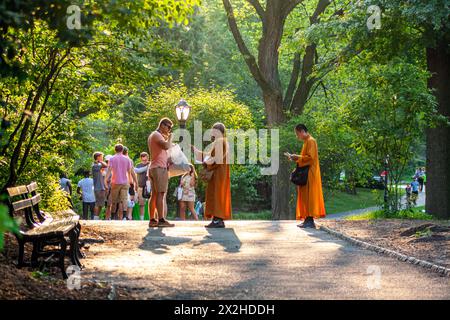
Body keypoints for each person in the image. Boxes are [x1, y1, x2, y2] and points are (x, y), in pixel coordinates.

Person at [192, 122, 232, 228]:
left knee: (216, 195)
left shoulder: (220, 142)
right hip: (220, 173)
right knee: (217, 195)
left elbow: (216, 159)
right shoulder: (222, 142)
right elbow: (211, 156)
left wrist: (206, 163)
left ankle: (217, 220)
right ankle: (217, 219)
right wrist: (198, 153)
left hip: (218, 173)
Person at [286, 124, 326, 228]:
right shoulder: (306, 142)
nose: (297, 136)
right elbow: (304, 158)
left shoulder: (311, 141)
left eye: (297, 133)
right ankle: (307, 219)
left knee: (309, 196)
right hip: (306, 173)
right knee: (305, 196)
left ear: (302, 131)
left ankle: (310, 220)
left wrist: (297, 157)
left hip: (310, 173)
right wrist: (295, 158)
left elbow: (310, 158)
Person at [148, 118, 175, 228]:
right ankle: (161, 219)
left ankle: (152, 219)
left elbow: (162, 150)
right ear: (162, 125)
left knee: (154, 194)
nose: (169, 130)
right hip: (159, 168)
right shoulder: (156, 135)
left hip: (155, 167)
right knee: (160, 194)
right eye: (168, 127)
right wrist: (170, 138)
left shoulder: (154, 135)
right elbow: (166, 146)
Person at [105, 144, 137, 221]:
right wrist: (131, 182)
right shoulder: (127, 159)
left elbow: (109, 171)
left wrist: (105, 180)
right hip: (125, 182)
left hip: (115, 182)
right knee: (124, 199)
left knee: (114, 200)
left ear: (115, 150)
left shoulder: (112, 159)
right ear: (122, 150)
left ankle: (112, 216)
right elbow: (129, 172)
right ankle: (124, 216)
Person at [123, 146, 138, 220]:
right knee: (131, 200)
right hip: (129, 182)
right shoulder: (129, 160)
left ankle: (122, 217)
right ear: (127, 152)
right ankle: (129, 216)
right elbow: (132, 172)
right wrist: (136, 182)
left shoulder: (115, 159)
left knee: (122, 200)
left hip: (119, 182)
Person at [92, 152, 108, 220]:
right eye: (101, 157)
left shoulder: (98, 165)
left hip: (101, 187)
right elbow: (105, 165)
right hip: (98, 187)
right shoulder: (95, 165)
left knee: (101, 204)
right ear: (98, 157)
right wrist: (100, 161)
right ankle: (95, 218)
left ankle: (97, 217)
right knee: (97, 204)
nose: (102, 158)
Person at [135, 152, 150, 221]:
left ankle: (153, 218)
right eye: (143, 157)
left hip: (150, 187)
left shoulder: (151, 164)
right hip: (140, 187)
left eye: (146, 157)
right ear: (141, 158)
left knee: (151, 202)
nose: (144, 159)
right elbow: (137, 172)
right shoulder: (138, 165)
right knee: (141, 204)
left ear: (148, 157)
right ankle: (142, 219)